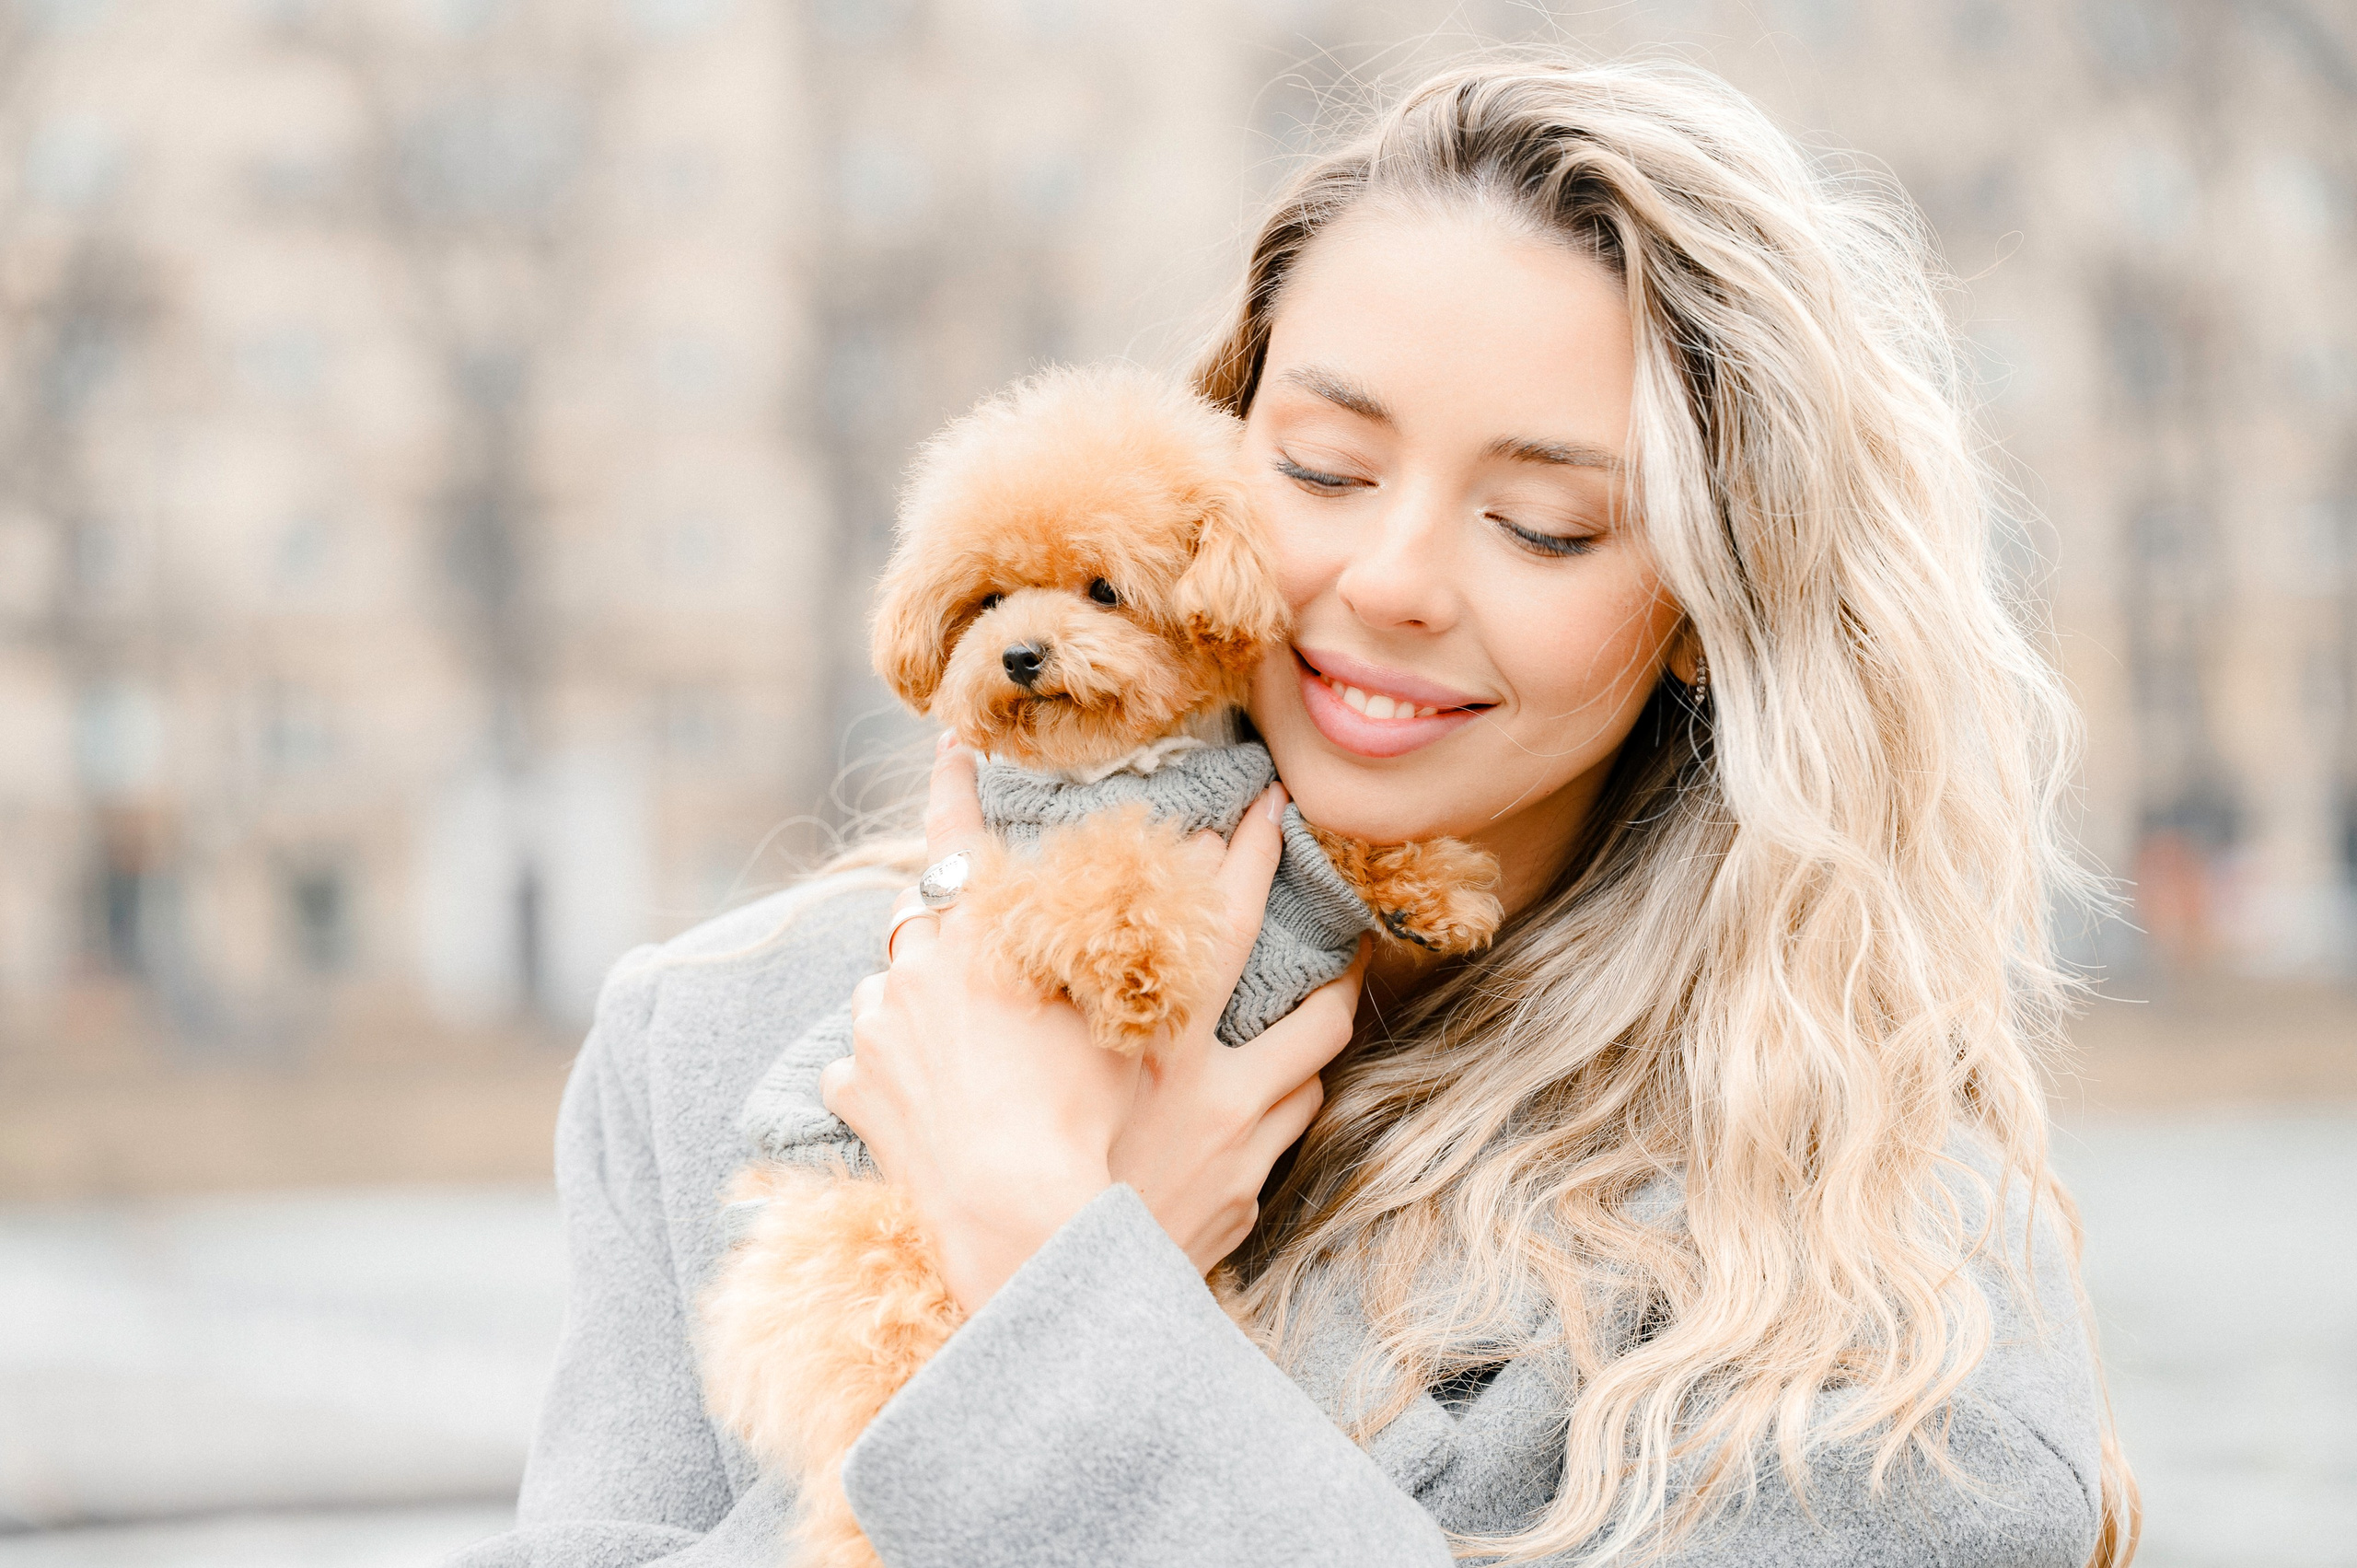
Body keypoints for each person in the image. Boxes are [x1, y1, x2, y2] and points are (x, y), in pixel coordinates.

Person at [453, 54, 2136, 1568]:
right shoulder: (714, 1051)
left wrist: (1045, 1268)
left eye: (1545, 523)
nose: (1389, 581)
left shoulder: (1880, 1313)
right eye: (1323, 469)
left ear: (1712, 604)